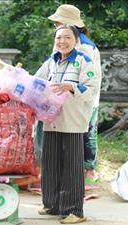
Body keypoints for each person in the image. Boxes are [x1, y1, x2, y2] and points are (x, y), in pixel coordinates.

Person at [34, 25, 100, 224]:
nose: (62, 41)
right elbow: (36, 80)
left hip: (73, 120)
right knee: (51, 163)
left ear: (76, 40)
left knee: (71, 166)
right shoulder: (51, 62)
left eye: (67, 37)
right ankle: (52, 204)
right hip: (52, 119)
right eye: (58, 38)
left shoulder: (84, 61)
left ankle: (74, 211)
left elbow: (91, 90)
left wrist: (70, 87)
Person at [48, 4, 102, 182]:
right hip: (65, 98)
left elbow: (87, 77)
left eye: (58, 23)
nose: (56, 28)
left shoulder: (84, 47)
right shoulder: (65, 40)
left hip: (81, 96)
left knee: (85, 132)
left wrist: (73, 89)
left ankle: (88, 170)